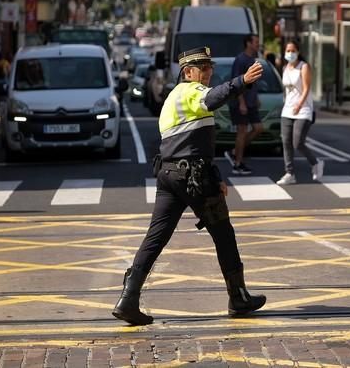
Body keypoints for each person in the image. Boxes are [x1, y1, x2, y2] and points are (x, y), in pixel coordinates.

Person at [112, 47, 266, 326]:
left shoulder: (174, 98)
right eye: (201, 68)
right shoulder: (190, 92)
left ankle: (128, 300)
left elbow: (192, 142)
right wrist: (242, 81)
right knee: (224, 235)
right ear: (188, 72)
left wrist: (216, 174)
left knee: (155, 238)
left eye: (209, 68)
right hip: (193, 178)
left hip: (170, 175)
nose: (207, 73)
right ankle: (239, 297)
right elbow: (215, 98)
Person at [276, 41, 324, 185]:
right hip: (287, 110)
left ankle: (315, 163)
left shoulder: (304, 67)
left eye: (292, 50)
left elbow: (307, 88)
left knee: (297, 142)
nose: (290, 53)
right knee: (286, 142)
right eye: (288, 50)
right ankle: (289, 173)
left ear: (297, 51)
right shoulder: (285, 68)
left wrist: (299, 104)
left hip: (303, 110)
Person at [224, 34, 263, 175]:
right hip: (240, 103)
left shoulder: (253, 59)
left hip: (251, 102)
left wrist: (256, 98)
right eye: (256, 42)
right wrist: (241, 103)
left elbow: (253, 82)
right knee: (241, 132)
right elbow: (237, 82)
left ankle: (234, 152)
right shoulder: (240, 60)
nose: (258, 44)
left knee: (258, 128)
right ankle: (238, 163)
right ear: (248, 43)